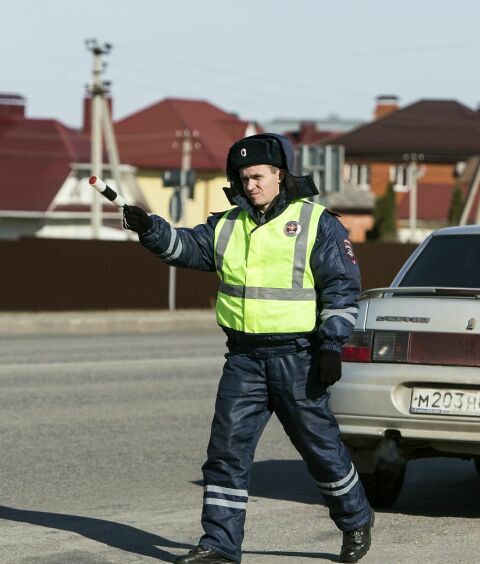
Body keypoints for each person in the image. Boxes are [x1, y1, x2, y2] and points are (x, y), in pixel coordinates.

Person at [122, 133, 374, 564]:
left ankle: (355, 520)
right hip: (243, 359)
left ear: (280, 175)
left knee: (320, 450)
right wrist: (150, 228)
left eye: (257, 176)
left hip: (300, 358)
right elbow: (183, 248)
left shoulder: (317, 223)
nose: (250, 184)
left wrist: (331, 347)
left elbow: (342, 289)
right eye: (243, 177)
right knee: (226, 452)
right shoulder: (226, 225)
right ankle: (220, 545)